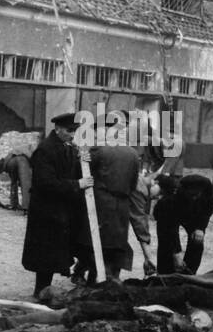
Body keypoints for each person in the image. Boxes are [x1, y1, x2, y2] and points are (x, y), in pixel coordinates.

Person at [21, 112, 93, 303]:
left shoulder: (65, 146)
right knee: (45, 253)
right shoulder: (45, 150)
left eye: (74, 131)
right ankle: (41, 291)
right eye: (69, 131)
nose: (72, 134)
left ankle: (45, 290)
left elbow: (71, 169)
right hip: (46, 210)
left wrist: (82, 160)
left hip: (59, 208)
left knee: (54, 251)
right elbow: (46, 183)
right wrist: (77, 184)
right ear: (58, 129)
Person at [88, 120, 140, 281]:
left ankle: (96, 276)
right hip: (122, 203)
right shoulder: (133, 154)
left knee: (99, 240)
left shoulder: (99, 151)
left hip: (102, 201)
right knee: (119, 241)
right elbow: (134, 182)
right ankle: (113, 276)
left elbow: (88, 173)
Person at [153, 169, 213, 275]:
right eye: (192, 195)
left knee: (197, 240)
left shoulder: (207, 189)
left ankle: (189, 272)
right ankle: (165, 273)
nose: (195, 197)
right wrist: (176, 252)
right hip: (166, 216)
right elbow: (171, 229)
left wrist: (200, 228)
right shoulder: (171, 199)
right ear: (184, 191)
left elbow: (207, 210)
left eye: (197, 195)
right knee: (166, 243)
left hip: (193, 214)